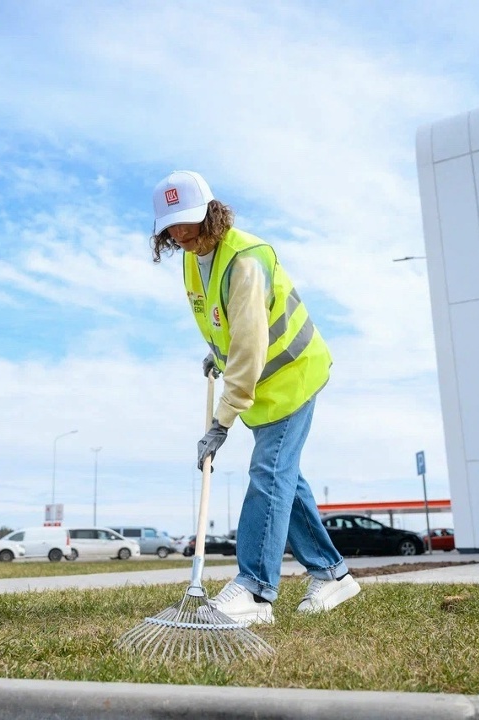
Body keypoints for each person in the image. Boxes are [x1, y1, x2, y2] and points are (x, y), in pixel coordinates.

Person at [150, 170, 361, 625]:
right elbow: (222, 321)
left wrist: (220, 423)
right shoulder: (193, 258)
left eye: (187, 221)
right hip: (261, 385)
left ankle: (254, 590)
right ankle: (332, 574)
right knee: (285, 477)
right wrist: (216, 355)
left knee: (268, 472)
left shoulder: (246, 260)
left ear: (211, 212)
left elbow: (249, 345)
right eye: (171, 227)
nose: (180, 234)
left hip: (292, 374)